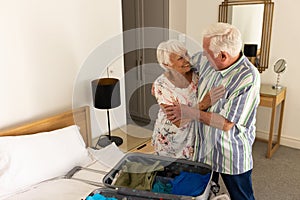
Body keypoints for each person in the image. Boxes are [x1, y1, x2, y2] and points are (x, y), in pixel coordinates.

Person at [165, 23, 260, 200]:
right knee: (204, 193)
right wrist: (162, 82)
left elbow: (225, 124)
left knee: (242, 196)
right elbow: (181, 65)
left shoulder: (248, 77)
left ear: (223, 55)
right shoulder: (206, 60)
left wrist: (189, 111)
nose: (202, 55)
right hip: (205, 150)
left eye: (207, 52)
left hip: (230, 153)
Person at [151, 39, 224, 160]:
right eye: (180, 58)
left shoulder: (196, 74)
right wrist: (203, 104)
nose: (187, 60)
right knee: (170, 176)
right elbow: (179, 122)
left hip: (193, 137)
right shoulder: (162, 85)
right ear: (167, 65)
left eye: (186, 54)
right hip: (171, 139)